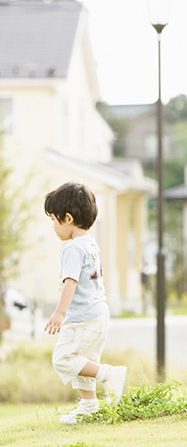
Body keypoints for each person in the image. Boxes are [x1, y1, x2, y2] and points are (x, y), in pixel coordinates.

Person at [43, 182, 127, 424]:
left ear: (68, 218)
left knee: (64, 359)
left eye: (54, 220)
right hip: (99, 314)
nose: (53, 227)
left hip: (82, 318)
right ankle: (89, 406)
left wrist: (59, 313)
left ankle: (109, 374)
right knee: (84, 361)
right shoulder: (91, 244)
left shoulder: (73, 249)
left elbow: (71, 283)